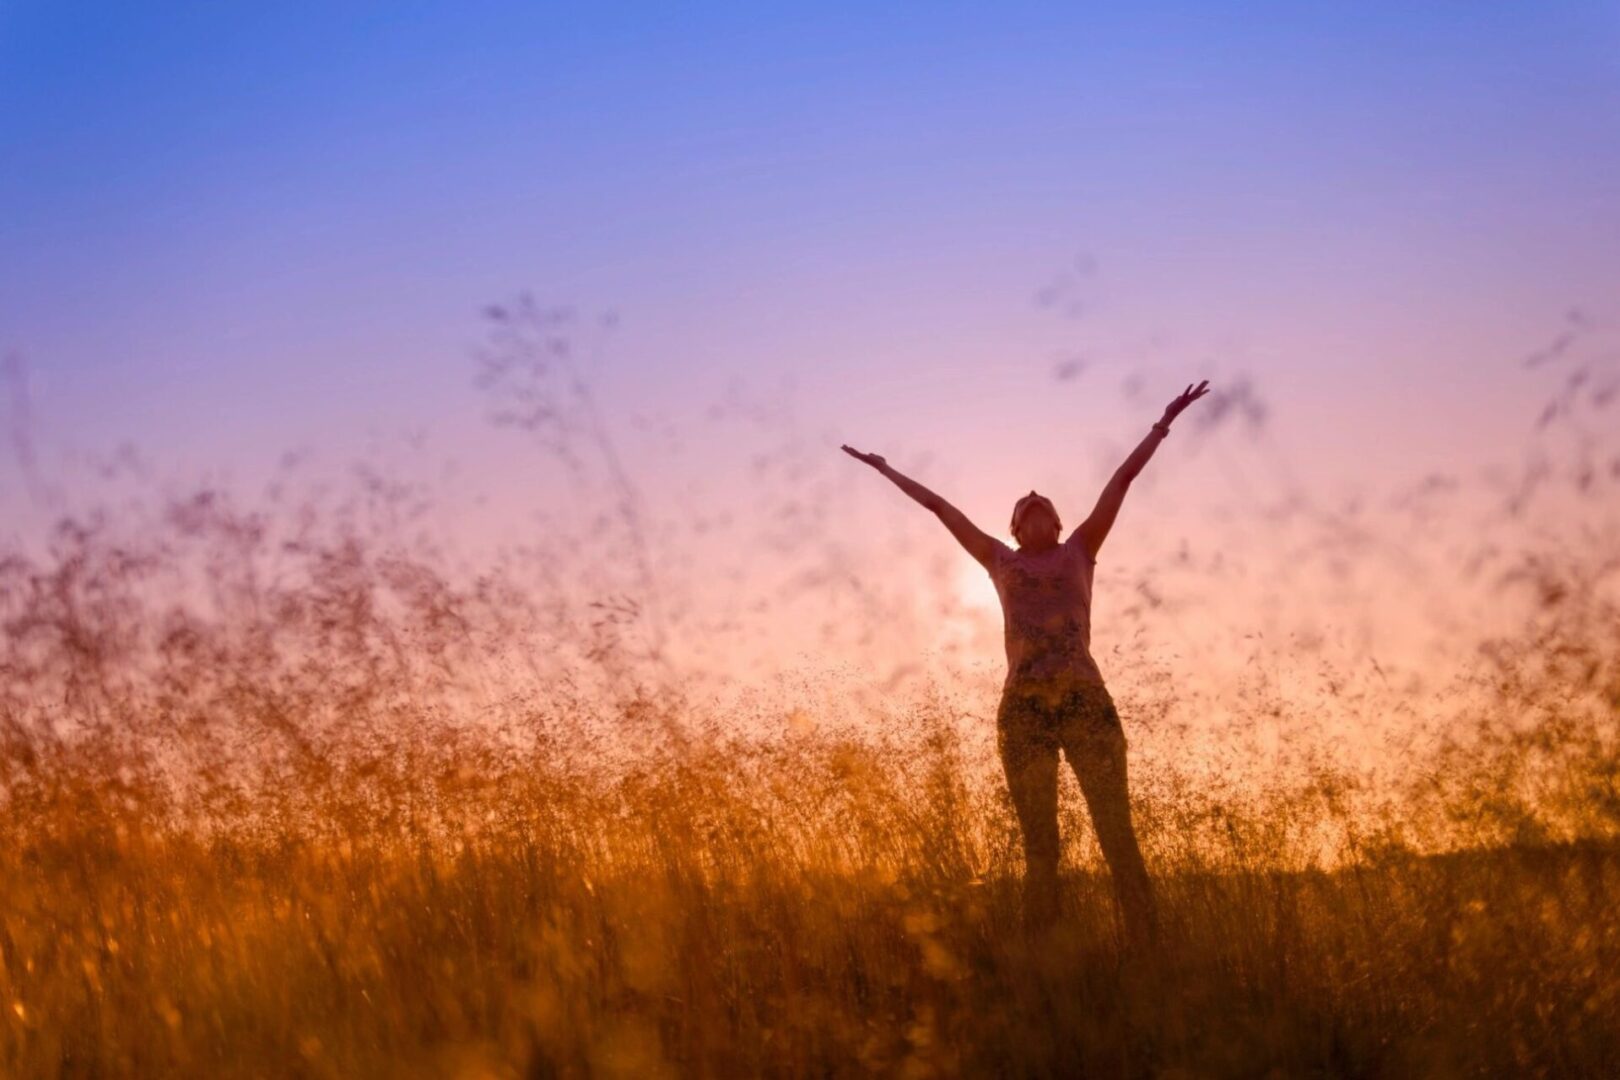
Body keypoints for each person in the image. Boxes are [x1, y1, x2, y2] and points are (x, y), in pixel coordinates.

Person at [841, 380, 1210, 949]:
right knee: (1042, 848)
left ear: (1058, 524)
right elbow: (941, 508)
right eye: (1025, 510)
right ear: (1015, 528)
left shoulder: (1081, 550)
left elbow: (1122, 480)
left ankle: (1147, 946)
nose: (1035, 508)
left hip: (1086, 700)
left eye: (1043, 508)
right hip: (1024, 710)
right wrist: (885, 469)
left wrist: (1163, 422)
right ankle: (1044, 956)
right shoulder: (997, 560)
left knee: (1117, 835)